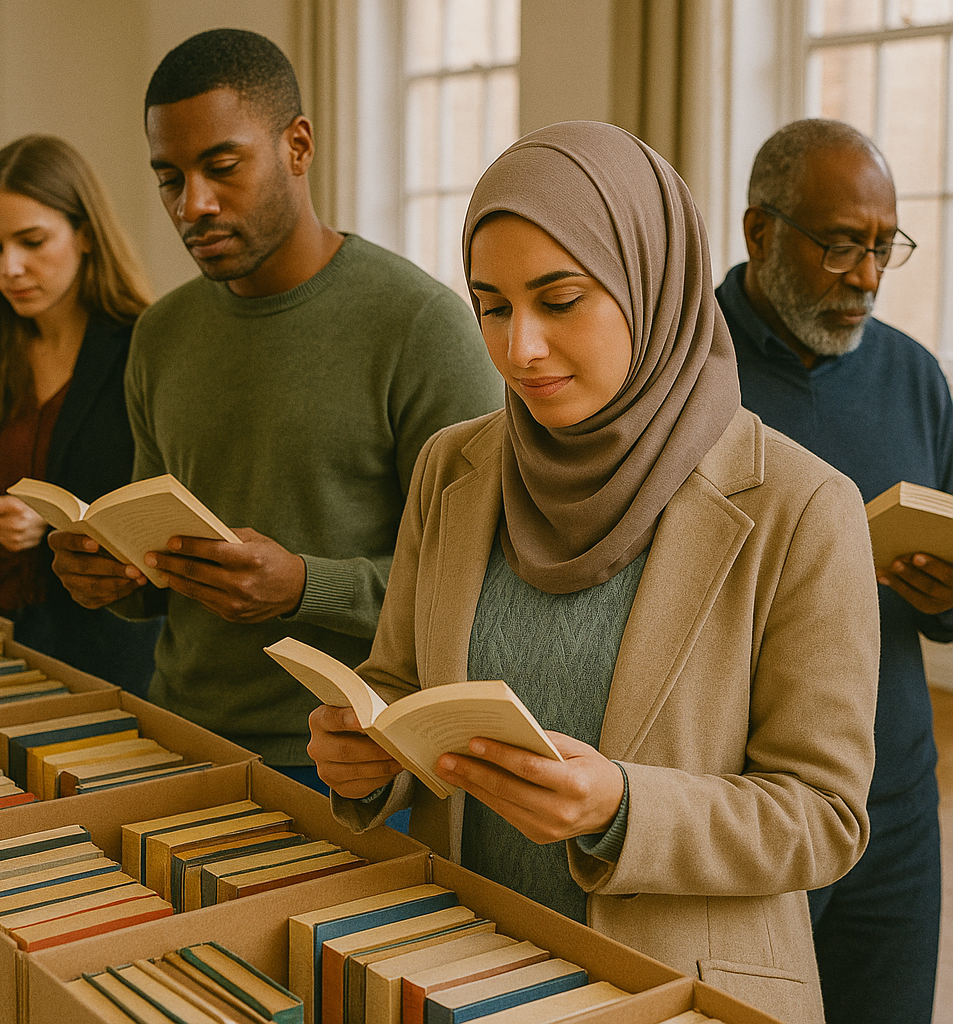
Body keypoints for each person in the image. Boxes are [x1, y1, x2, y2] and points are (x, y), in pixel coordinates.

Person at [306, 121, 881, 1024]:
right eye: (492, 305)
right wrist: (365, 761)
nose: (519, 347)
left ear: (653, 286)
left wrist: (623, 808)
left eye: (560, 299)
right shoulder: (453, 467)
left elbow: (824, 817)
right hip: (466, 969)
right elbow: (399, 684)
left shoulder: (801, 507)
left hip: (678, 991)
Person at [48, 29, 501, 777]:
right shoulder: (162, 333)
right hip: (175, 735)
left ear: (298, 145)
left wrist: (302, 585)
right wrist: (115, 578)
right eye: (170, 178)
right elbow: (165, 580)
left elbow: (482, 588)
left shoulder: (420, 326)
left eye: (222, 167)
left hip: (348, 763)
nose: (194, 204)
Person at [715, 118, 952, 1024]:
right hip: (746, 805)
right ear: (759, 231)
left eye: (884, 247)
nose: (865, 276)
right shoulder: (684, 373)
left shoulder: (914, 377)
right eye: (841, 244)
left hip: (893, 801)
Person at [0, 134, 161, 695]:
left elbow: (158, 517)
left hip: (105, 654)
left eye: (32, 241)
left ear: (84, 233)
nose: (10, 267)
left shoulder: (145, 347)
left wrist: (50, 526)